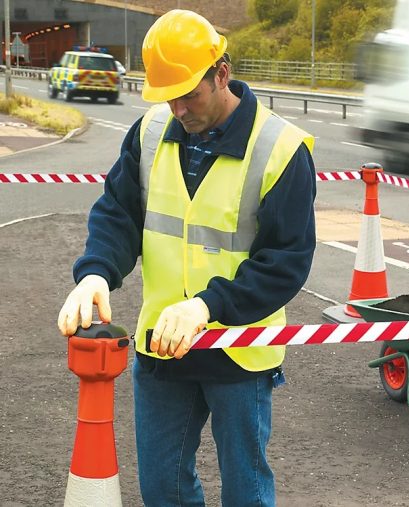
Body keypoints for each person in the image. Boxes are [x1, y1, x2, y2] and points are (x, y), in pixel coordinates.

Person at [57, 10, 316, 505]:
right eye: (168, 95)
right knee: (163, 487)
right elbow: (119, 212)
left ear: (222, 73)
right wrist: (95, 273)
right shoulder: (152, 130)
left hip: (239, 349)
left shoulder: (280, 149)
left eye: (189, 94)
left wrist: (206, 306)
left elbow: (286, 261)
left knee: (246, 490)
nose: (178, 108)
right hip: (161, 345)